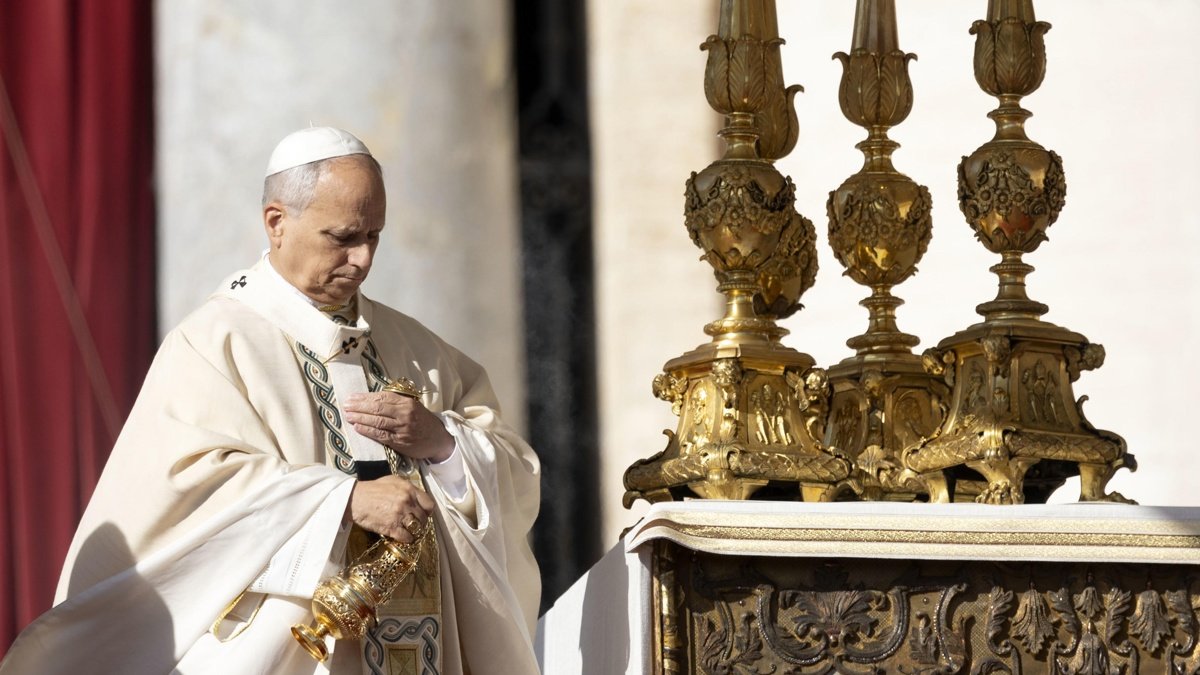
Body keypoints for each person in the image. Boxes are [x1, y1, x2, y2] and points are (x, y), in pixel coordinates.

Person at [0, 127, 542, 674]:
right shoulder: (216, 342)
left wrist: (445, 447)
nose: (362, 259)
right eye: (342, 236)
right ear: (277, 223)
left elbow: (515, 475)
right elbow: (187, 493)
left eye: (374, 236)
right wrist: (344, 501)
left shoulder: (416, 348)